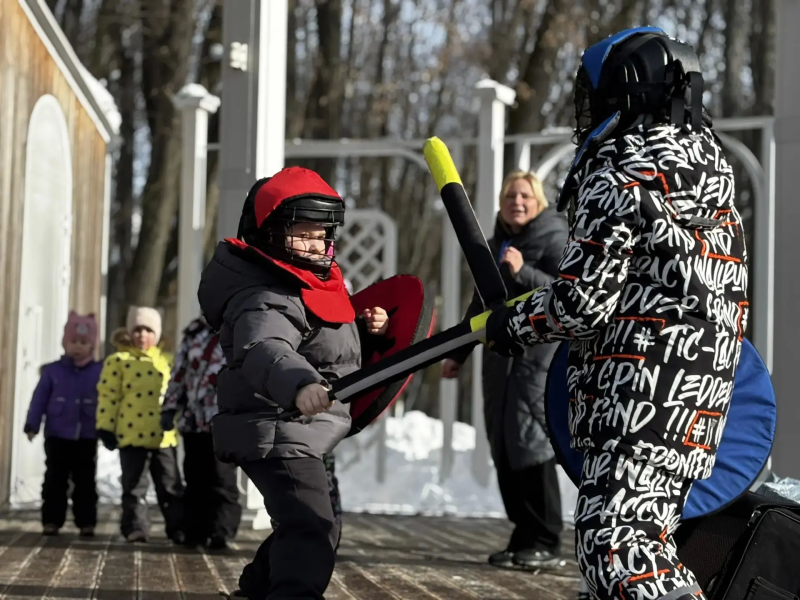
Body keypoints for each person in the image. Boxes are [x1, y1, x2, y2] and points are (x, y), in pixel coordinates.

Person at [483, 28, 748, 600]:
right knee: (643, 541)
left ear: (625, 94)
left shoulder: (621, 172)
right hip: (698, 391)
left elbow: (582, 299)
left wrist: (516, 322)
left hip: (639, 386)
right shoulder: (710, 175)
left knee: (617, 545)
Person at [198, 166, 390, 600]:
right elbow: (264, 347)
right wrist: (300, 383)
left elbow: (323, 338)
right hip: (276, 423)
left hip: (299, 430)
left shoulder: (303, 285)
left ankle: (256, 590)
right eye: (302, 234)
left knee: (315, 522)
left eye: (321, 234)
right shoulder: (264, 295)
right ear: (268, 233)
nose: (316, 244)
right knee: (311, 525)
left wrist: (366, 325)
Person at [442, 171, 568, 570]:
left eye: (525, 196)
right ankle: (523, 532)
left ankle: (547, 537)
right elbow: (479, 304)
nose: (517, 201)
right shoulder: (494, 246)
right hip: (499, 362)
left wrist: (521, 271)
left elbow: (567, 293)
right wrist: (458, 354)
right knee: (505, 446)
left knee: (533, 445)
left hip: (537, 361)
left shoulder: (555, 238)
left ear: (539, 203)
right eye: (511, 195)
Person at [96, 306, 185, 543]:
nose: (142, 335)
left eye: (148, 330)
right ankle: (135, 526)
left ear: (156, 334)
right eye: (137, 330)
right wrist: (106, 426)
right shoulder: (118, 361)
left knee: (170, 485)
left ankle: (178, 527)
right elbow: (108, 395)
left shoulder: (167, 362)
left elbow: (176, 393)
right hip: (131, 434)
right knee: (134, 486)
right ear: (129, 333)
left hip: (163, 436)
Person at [161, 316, 242, 549]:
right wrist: (169, 407)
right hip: (194, 419)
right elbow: (179, 372)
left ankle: (221, 530)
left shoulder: (240, 329)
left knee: (221, 477)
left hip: (224, 419)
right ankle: (195, 530)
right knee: (195, 476)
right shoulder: (194, 333)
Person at [24, 311, 103, 537]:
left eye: (83, 342)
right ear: (64, 343)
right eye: (73, 342)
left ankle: (86, 522)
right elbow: (39, 398)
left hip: (86, 435)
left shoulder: (99, 372)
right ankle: (51, 520)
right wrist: (32, 424)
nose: (78, 347)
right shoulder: (53, 371)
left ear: (92, 346)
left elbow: (108, 399)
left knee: (85, 481)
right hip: (57, 434)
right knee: (55, 480)